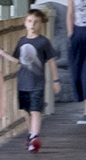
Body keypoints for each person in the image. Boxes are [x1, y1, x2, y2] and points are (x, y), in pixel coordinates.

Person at [14, 8, 57, 152]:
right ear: (25, 23)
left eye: (36, 22)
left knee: (35, 111)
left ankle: (34, 136)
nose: (32, 25)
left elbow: (51, 61)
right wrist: (2, 54)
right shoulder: (21, 41)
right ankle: (30, 134)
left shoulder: (43, 41)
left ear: (40, 25)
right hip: (22, 82)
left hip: (37, 83)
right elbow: (17, 60)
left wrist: (56, 80)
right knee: (26, 111)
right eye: (30, 21)